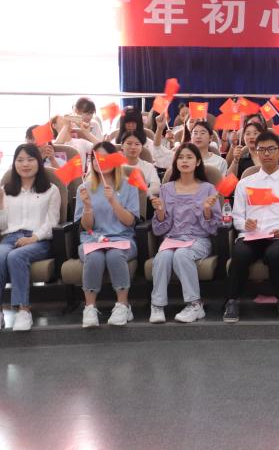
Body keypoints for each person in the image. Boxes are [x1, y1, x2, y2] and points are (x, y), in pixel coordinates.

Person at [223, 131, 279, 323]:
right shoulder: (245, 183)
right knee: (240, 254)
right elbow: (237, 216)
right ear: (256, 152)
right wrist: (244, 224)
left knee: (275, 255)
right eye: (262, 150)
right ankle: (232, 301)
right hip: (251, 235)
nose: (266, 153)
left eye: (271, 149)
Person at [149, 143, 220, 324]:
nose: (184, 161)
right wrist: (160, 212)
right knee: (162, 257)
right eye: (180, 157)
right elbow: (159, 229)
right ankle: (157, 305)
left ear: (198, 162)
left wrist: (206, 210)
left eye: (189, 157)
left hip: (198, 239)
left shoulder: (208, 189)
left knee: (182, 254)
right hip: (172, 239)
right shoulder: (166, 189)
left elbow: (214, 228)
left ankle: (195, 305)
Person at [75, 142, 141, 328]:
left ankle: (123, 305)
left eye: (105, 158)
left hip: (122, 239)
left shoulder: (129, 185)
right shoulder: (84, 188)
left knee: (114, 255)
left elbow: (129, 221)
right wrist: (87, 207)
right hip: (93, 239)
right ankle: (90, 307)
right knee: (94, 257)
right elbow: (87, 227)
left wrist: (113, 201)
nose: (100, 162)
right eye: (96, 159)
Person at [0, 144, 61, 332]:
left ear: (39, 162)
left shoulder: (51, 190)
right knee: (1, 255)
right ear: (14, 164)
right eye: (20, 160)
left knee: (16, 256)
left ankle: (23, 310)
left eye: (30, 159)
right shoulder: (5, 190)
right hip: (9, 238)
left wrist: (34, 237)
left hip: (40, 240)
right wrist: (1, 204)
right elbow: (2, 226)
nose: (25, 164)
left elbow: (52, 222)